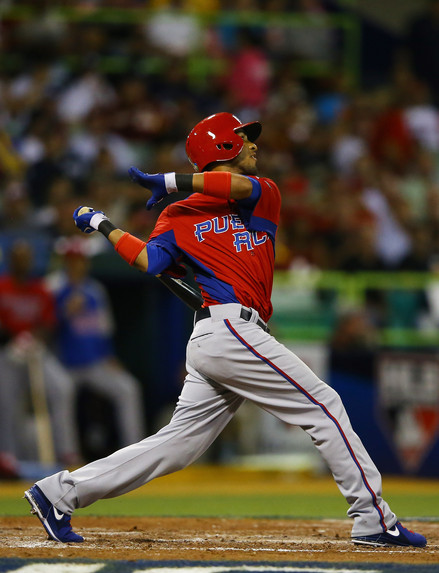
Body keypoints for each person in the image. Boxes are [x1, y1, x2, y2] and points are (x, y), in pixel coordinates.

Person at [24, 112, 426, 548]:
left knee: (176, 446)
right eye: (242, 137)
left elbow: (234, 187)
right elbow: (151, 263)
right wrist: (105, 225)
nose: (253, 144)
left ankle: (58, 493)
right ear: (221, 147)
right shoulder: (176, 214)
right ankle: (372, 519)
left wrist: (172, 180)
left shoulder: (259, 194)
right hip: (225, 329)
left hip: (232, 334)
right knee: (324, 405)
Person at [47, 237, 145, 449]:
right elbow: (45, 327)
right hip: (63, 363)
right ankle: (68, 453)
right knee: (61, 392)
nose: (76, 265)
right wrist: (64, 313)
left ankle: (135, 449)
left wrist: (110, 357)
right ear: (64, 262)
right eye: (71, 260)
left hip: (94, 362)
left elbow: (104, 330)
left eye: (80, 260)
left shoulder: (95, 290)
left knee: (128, 388)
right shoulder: (53, 286)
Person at [0, 240, 80, 478]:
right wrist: (12, 338)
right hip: (8, 351)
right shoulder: (2, 286)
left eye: (26, 258)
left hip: (36, 350)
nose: (22, 263)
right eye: (18, 258)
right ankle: (7, 455)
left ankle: (66, 452)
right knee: (6, 399)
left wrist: (33, 339)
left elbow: (48, 323)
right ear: (11, 261)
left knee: (62, 387)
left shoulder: (40, 289)